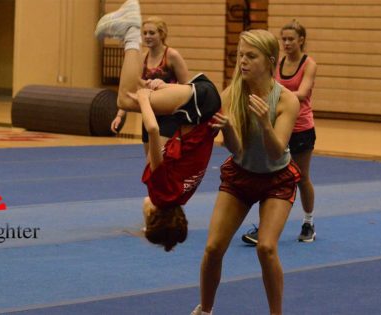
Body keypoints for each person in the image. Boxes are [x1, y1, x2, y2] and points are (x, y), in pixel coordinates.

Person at [95, 0, 221, 251]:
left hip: (205, 109)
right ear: (154, 215)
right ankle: (130, 32)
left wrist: (167, 89)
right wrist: (143, 102)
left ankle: (128, 35)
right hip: (198, 108)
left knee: (134, 93)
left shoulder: (181, 196)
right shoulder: (162, 192)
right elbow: (152, 130)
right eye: (148, 217)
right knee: (126, 97)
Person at [191, 29, 300, 315]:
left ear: (270, 61)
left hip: (276, 179)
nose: (243, 61)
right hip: (241, 176)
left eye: (251, 56)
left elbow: (277, 152)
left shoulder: (287, 100)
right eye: (241, 55)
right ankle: (206, 310)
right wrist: (227, 127)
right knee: (213, 248)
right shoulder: (232, 93)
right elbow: (237, 150)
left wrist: (265, 122)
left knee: (266, 248)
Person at [242, 20, 317, 245]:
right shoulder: (278, 63)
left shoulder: (308, 64)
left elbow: (302, 93)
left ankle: (308, 222)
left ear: (301, 40)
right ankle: (265, 226)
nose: (286, 43)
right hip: (278, 125)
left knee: (301, 178)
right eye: (283, 39)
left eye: (290, 39)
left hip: (302, 128)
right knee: (270, 177)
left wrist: (278, 93)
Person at [110, 16, 189, 155]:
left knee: (158, 159)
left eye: (152, 33)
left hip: (168, 115)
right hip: (149, 113)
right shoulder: (142, 59)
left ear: (162, 34)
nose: (147, 36)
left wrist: (165, 86)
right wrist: (119, 115)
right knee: (150, 162)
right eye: (145, 33)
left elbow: (187, 88)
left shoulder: (171, 56)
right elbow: (132, 88)